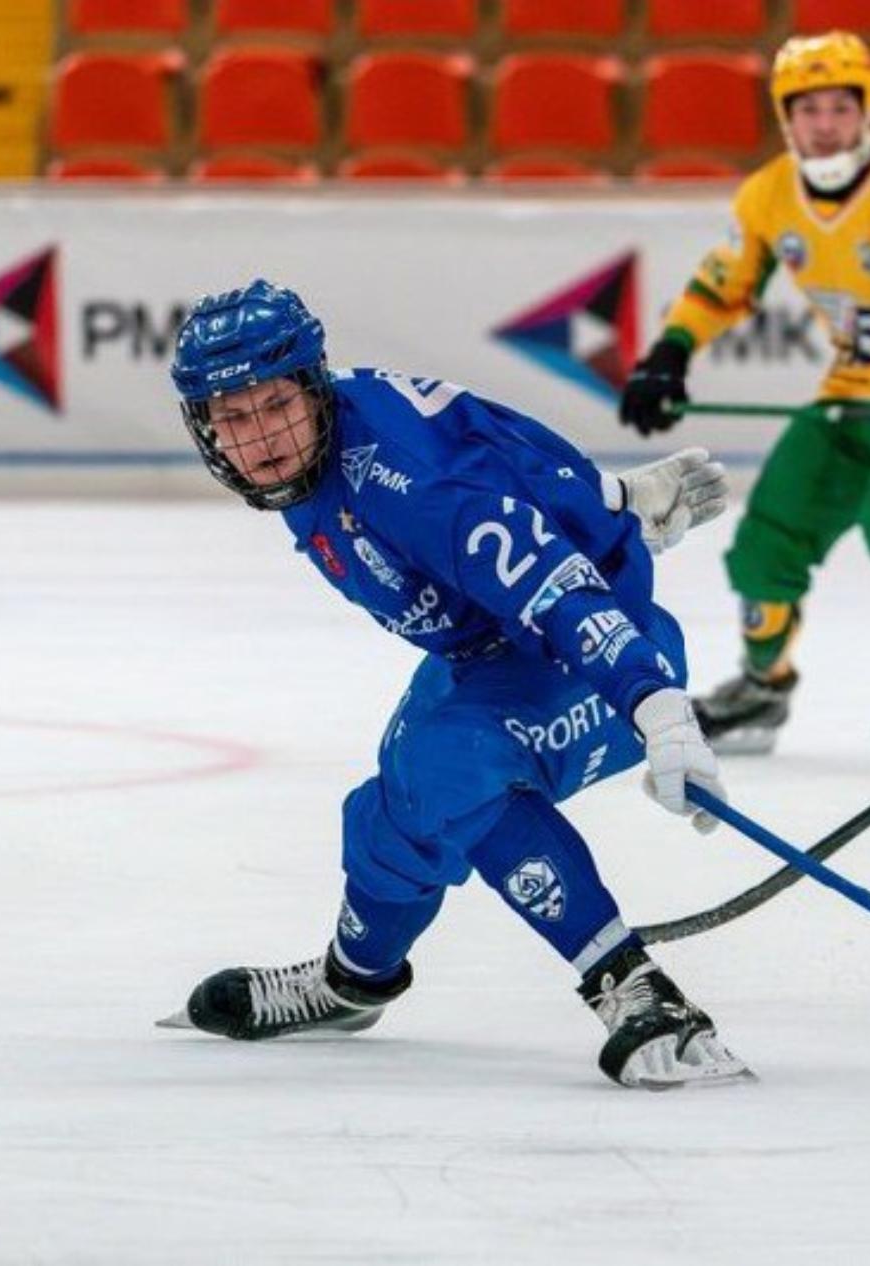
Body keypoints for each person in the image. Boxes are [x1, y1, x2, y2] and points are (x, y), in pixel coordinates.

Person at [161, 279, 752, 1089]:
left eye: (272, 406)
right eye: (231, 418)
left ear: (311, 385)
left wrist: (659, 710)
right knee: (394, 804)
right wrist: (614, 503)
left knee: (448, 763)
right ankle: (351, 981)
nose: (259, 437)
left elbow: (548, 586)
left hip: (605, 657)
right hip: (498, 654)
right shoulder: (334, 437)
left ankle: (637, 991)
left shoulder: (403, 480)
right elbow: (502, 450)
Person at [618, 30, 870, 769]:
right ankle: (762, 689)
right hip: (855, 391)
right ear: (785, 118)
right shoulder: (770, 194)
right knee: (774, 526)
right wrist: (668, 355)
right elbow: (721, 284)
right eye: (809, 110)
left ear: (868, 114)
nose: (825, 123)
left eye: (841, 106)